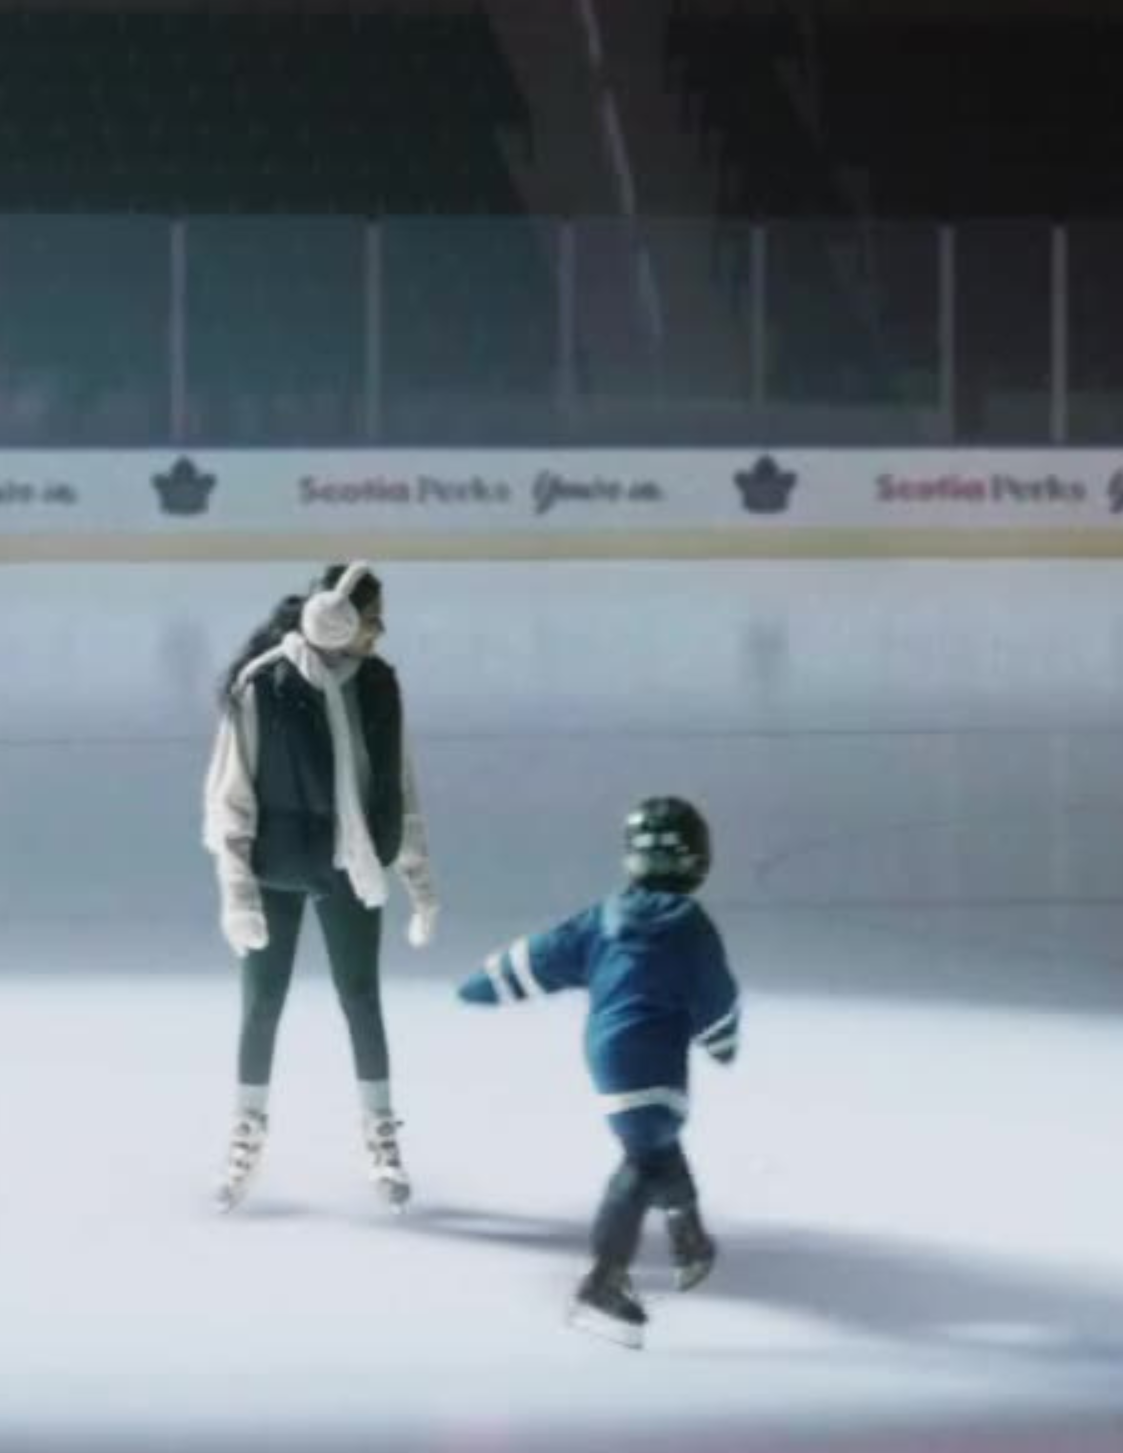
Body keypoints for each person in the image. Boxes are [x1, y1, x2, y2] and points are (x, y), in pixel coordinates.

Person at [456, 795, 740, 1346]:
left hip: (608, 1052)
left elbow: (541, 956)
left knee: (656, 1142)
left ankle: (690, 1239)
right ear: (696, 859)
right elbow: (715, 994)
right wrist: (723, 1042)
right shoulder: (690, 924)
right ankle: (602, 1284)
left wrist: (484, 984)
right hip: (655, 1056)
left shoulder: (606, 916)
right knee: (642, 1157)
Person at [203, 562, 435, 1211]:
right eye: (372, 616)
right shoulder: (264, 686)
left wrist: (420, 876)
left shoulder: (381, 685)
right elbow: (230, 798)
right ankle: (245, 1132)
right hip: (275, 865)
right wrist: (238, 893)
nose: (382, 629)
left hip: (349, 864)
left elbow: (398, 784)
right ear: (336, 617)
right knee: (261, 1005)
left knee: (362, 998)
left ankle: (381, 1134)